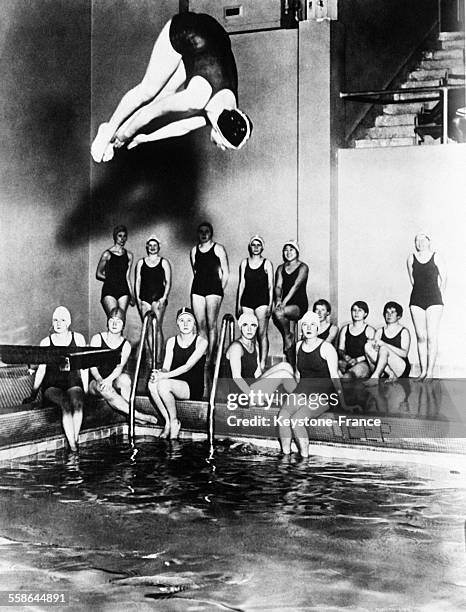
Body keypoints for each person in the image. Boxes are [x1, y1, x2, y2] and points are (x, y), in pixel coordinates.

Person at [91, 12, 252, 162]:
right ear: (218, 128)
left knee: (166, 94)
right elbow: (151, 112)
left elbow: (183, 127)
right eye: (225, 144)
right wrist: (125, 136)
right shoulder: (196, 98)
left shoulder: (228, 109)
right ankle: (108, 129)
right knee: (148, 91)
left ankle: (113, 140)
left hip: (212, 42)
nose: (222, 148)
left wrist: (146, 138)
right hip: (188, 30)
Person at [278, 311, 346, 458]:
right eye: (305, 325)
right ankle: (285, 457)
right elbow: (298, 374)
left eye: (313, 325)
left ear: (318, 328)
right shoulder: (297, 347)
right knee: (282, 417)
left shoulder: (327, 348)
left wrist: (343, 402)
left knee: (296, 421)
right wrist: (294, 398)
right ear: (301, 328)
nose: (309, 328)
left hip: (323, 395)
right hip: (303, 390)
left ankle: (304, 460)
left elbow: (335, 376)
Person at [22, 307, 88, 453]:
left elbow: (84, 367)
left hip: (72, 382)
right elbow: (41, 369)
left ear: (69, 322)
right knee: (65, 403)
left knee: (77, 403)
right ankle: (73, 448)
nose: (58, 323)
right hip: (52, 384)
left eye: (62, 320)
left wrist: (86, 390)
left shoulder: (78, 338)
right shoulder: (46, 342)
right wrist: (33, 394)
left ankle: (74, 441)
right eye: (55, 320)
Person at [89, 308, 158, 425]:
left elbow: (119, 367)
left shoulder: (125, 345)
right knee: (105, 387)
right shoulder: (97, 339)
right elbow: (92, 366)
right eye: (112, 320)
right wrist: (101, 380)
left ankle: (131, 414)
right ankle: (137, 415)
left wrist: (109, 380)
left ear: (123, 325)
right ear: (107, 322)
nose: (114, 324)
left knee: (125, 379)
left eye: (119, 321)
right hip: (95, 381)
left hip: (113, 378)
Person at [148, 307, 208, 439]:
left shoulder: (202, 342)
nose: (185, 324)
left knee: (163, 385)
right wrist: (159, 373)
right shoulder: (171, 341)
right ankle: (168, 421)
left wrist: (163, 376)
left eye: (189, 320)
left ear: (195, 323)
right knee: (152, 384)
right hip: (173, 382)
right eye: (182, 320)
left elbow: (188, 366)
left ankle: (175, 421)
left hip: (193, 387)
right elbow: (166, 368)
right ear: (177, 323)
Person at [225, 312, 297, 402]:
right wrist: (253, 396)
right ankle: (300, 402)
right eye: (245, 325)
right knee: (284, 374)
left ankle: (295, 400)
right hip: (239, 395)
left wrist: (268, 389)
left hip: (251, 387)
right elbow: (237, 378)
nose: (249, 329)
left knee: (286, 366)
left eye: (253, 325)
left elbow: (257, 375)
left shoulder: (254, 346)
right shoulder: (236, 347)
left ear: (257, 328)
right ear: (240, 327)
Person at [407, 233, 446, 380]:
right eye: (417, 240)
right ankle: (423, 371)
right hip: (416, 299)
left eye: (423, 239)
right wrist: (421, 293)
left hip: (434, 300)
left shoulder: (436, 257)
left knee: (431, 336)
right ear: (415, 243)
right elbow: (412, 279)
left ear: (429, 241)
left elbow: (445, 277)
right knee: (421, 336)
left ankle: (430, 372)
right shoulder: (411, 258)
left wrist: (437, 295)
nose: (420, 242)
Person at [190, 222, 229, 366]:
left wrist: (220, 290)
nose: (204, 234)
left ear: (211, 233)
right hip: (198, 288)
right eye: (201, 231)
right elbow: (196, 271)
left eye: (207, 231)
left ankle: (211, 357)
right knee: (200, 325)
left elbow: (226, 272)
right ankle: (202, 354)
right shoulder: (194, 251)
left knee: (211, 323)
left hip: (214, 289)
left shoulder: (218, 249)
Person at [237, 235, 274, 370]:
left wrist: (270, 304)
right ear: (250, 247)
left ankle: (262, 363)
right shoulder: (244, 263)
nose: (256, 247)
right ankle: (251, 362)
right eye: (254, 245)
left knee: (261, 334)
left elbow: (271, 286)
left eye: (259, 245)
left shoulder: (267, 263)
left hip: (262, 301)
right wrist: (238, 304)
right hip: (247, 300)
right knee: (248, 332)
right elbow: (241, 284)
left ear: (262, 247)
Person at [134, 235, 172, 368]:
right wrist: (138, 298)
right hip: (144, 298)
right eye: (150, 245)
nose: (152, 247)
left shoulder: (164, 262)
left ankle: (158, 358)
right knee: (148, 328)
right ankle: (150, 357)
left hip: (158, 298)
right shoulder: (141, 263)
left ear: (159, 247)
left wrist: (164, 297)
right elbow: (137, 281)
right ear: (147, 247)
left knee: (157, 328)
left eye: (155, 245)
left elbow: (168, 281)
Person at [273, 240, 309, 366]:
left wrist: (283, 303)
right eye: (286, 250)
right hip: (285, 302)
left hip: (298, 303)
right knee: (290, 340)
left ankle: (287, 335)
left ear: (297, 252)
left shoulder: (303, 267)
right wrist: (278, 299)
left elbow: (296, 286)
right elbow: (278, 286)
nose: (288, 252)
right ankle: (292, 368)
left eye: (291, 249)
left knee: (279, 314)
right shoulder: (280, 268)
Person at [364, 302, 411, 384]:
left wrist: (384, 344)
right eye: (387, 312)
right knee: (367, 346)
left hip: (400, 367)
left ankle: (375, 378)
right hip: (385, 368)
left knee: (384, 348)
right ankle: (390, 373)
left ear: (399, 316)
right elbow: (375, 352)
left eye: (392, 312)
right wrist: (374, 346)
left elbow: (404, 354)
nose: (389, 315)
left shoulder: (404, 331)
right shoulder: (379, 331)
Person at [96, 225, 134, 318]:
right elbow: (98, 274)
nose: (122, 239)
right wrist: (111, 279)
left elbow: (127, 277)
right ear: (115, 236)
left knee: (121, 319)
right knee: (113, 318)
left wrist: (132, 295)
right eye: (120, 236)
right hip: (109, 289)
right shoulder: (107, 254)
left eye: (124, 236)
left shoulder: (129, 255)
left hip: (123, 290)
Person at [338, 301, 375, 378]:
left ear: (365, 314)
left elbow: (372, 353)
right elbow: (340, 349)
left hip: (363, 363)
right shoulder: (345, 329)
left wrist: (357, 360)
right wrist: (345, 356)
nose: (356, 313)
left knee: (347, 377)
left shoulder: (370, 330)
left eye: (360, 310)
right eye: (354, 310)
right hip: (347, 361)